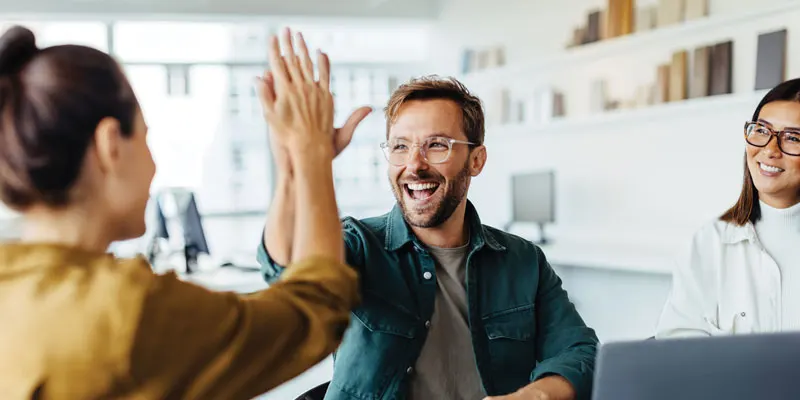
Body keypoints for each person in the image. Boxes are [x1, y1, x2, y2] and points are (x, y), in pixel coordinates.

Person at [0, 26, 359, 399]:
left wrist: (292, 169)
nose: (154, 166)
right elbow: (314, 311)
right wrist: (311, 151)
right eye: (145, 137)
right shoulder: (127, 311)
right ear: (111, 146)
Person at [259, 75, 599, 400]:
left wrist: (532, 396)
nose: (415, 164)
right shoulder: (359, 245)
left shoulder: (523, 261)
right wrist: (295, 168)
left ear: (476, 160)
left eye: (437, 145)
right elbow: (287, 270)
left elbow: (580, 352)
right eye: (400, 146)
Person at [656, 78, 800, 338]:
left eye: (792, 137)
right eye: (761, 130)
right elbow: (677, 349)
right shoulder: (709, 244)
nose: (769, 150)